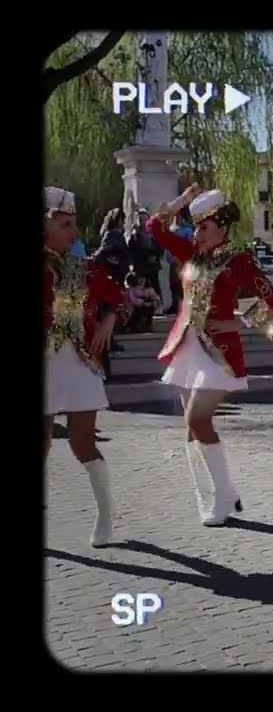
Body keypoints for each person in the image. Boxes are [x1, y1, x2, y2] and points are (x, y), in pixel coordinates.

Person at [148, 184, 273, 527]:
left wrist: (239, 323)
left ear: (222, 227)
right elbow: (154, 228)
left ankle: (222, 495)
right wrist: (180, 200)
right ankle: (218, 494)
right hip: (187, 347)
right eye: (194, 227)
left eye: (203, 227)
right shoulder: (192, 254)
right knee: (190, 427)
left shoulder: (239, 260)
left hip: (219, 353)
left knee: (198, 421)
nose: (197, 234)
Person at [43, 186, 126, 548]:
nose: (75, 233)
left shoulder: (83, 267)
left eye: (73, 225)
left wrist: (107, 321)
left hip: (78, 362)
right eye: (65, 225)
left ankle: (106, 517)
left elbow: (115, 295)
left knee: (82, 443)